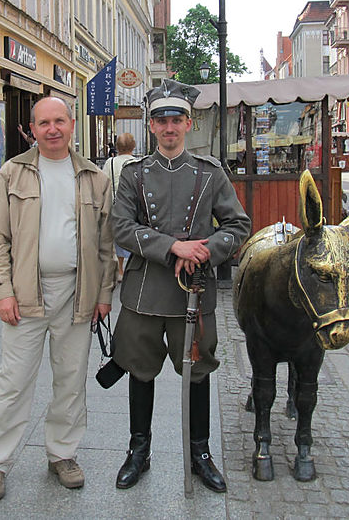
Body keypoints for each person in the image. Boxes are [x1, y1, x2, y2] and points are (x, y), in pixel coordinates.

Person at [110, 79, 251, 493]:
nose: (168, 127)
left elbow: (238, 225)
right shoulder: (134, 175)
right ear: (150, 126)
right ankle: (139, 451)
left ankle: (200, 454)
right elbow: (121, 226)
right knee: (140, 372)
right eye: (160, 120)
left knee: (198, 373)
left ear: (188, 123)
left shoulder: (209, 174)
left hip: (194, 292)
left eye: (176, 120)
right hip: (143, 294)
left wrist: (208, 249)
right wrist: (174, 246)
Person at [0, 96, 116, 500]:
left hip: (77, 294)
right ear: (32, 129)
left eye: (59, 121)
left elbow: (106, 246)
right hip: (25, 295)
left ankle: (62, 454)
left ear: (72, 125)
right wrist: (4, 292)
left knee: (71, 381)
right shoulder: (13, 173)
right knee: (13, 382)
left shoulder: (95, 177)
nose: (52, 129)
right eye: (44, 123)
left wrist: (104, 294)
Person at [102, 132, 137, 281]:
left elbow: (103, 183)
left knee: (115, 237)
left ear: (117, 147)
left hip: (113, 204)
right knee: (132, 235)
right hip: (132, 206)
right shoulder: (136, 163)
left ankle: (120, 270)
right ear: (133, 146)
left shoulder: (110, 162)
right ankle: (133, 268)